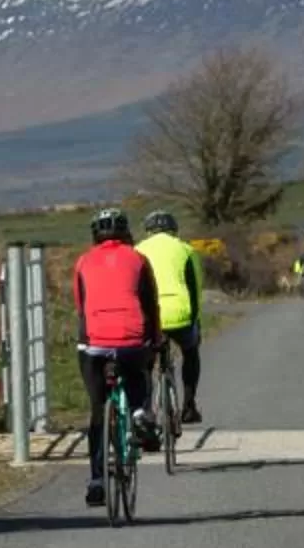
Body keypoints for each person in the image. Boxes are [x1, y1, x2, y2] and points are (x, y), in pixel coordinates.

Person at [71, 208, 160, 508]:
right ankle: (138, 413)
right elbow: (150, 304)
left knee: (97, 412)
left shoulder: (83, 261)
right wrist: (155, 340)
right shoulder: (138, 259)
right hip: (132, 338)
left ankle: (97, 479)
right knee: (137, 374)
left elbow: (80, 306)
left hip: (94, 343)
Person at [135, 208, 206, 435]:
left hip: (150, 316)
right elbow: (195, 288)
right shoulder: (186, 250)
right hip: (180, 314)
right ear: (174, 231)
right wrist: (196, 320)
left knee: (145, 364)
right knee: (191, 352)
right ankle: (188, 405)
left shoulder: (137, 251)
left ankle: (145, 410)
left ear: (148, 232)